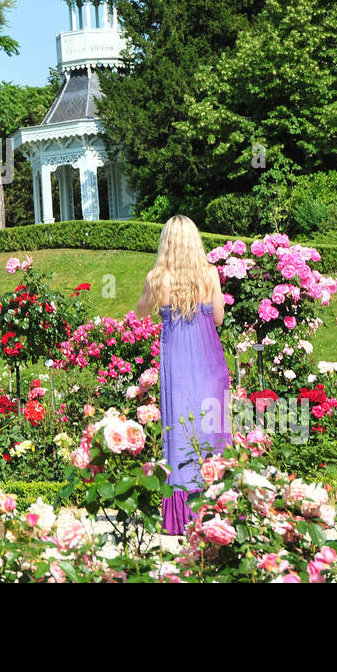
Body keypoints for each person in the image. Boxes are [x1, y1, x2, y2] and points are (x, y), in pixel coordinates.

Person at [135, 215, 230, 536]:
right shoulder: (210, 274)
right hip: (210, 361)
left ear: (166, 243)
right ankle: (215, 508)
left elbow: (141, 312)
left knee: (179, 430)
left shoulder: (158, 277)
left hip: (177, 366)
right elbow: (217, 319)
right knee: (210, 431)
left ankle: (180, 516)